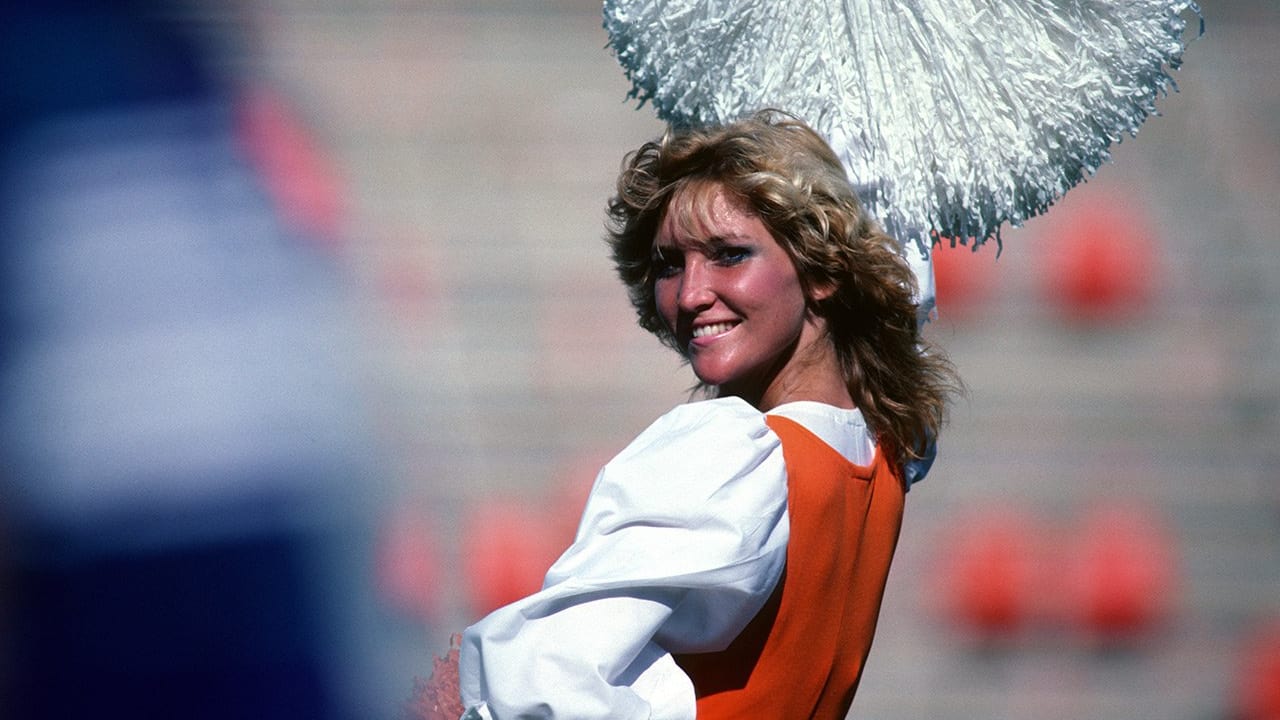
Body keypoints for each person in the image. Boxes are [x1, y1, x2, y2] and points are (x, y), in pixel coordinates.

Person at [457, 110, 959, 719]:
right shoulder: (885, 451)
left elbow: (548, 679)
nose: (691, 293)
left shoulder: (734, 452)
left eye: (728, 255)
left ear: (823, 270)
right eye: (670, 263)